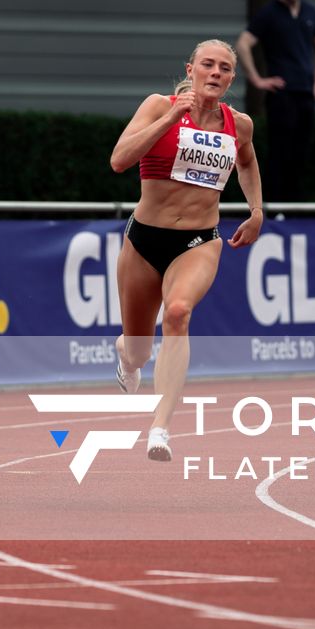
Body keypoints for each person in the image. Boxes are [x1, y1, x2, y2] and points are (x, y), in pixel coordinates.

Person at [109, 39, 264, 462]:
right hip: (144, 240)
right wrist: (172, 117)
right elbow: (119, 160)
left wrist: (255, 209)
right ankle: (126, 353)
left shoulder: (239, 124)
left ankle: (159, 428)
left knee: (177, 313)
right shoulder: (159, 106)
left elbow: (247, 162)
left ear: (232, 78)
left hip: (198, 240)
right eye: (208, 65)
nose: (216, 73)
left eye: (225, 68)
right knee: (139, 347)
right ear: (191, 69)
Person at [235, 0, 315, 204]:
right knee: (280, 152)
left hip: (305, 92)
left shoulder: (310, 12)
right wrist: (257, 79)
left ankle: (296, 206)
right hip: (282, 94)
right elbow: (243, 44)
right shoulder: (269, 14)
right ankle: (274, 206)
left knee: (302, 153)